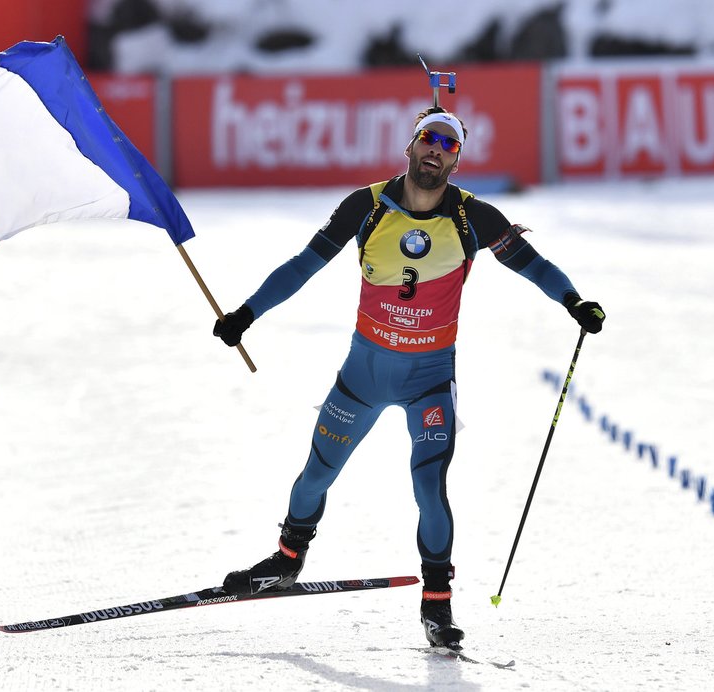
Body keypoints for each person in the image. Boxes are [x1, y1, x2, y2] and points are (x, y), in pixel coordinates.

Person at [213, 106, 605, 649]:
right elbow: (303, 266)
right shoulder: (366, 206)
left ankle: (436, 606)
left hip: (429, 380)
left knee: (430, 488)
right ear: (410, 145)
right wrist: (246, 314)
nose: (435, 151)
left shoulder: (473, 218)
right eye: (428, 139)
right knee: (315, 476)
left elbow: (533, 264)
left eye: (448, 145)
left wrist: (574, 302)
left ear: (457, 159)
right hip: (363, 374)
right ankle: (285, 561)